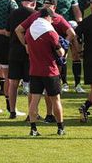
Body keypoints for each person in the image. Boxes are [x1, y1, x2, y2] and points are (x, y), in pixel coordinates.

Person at [24, 8, 66, 136]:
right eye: (52, 18)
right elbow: (60, 52)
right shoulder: (50, 32)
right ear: (47, 17)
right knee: (56, 100)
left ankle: (33, 129)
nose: (52, 21)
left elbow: (27, 50)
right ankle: (60, 128)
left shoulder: (29, 31)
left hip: (34, 70)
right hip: (50, 71)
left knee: (34, 100)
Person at [42, 0, 83, 92]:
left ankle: (77, 84)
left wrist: (80, 25)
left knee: (75, 54)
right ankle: (63, 82)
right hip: (52, 27)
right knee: (60, 55)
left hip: (67, 26)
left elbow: (76, 11)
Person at [6, 0, 37, 119]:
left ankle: (12, 111)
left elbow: (7, 32)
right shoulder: (35, 15)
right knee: (30, 83)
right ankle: (31, 113)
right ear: (34, 4)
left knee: (13, 83)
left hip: (14, 51)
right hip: (29, 52)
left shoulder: (13, 13)